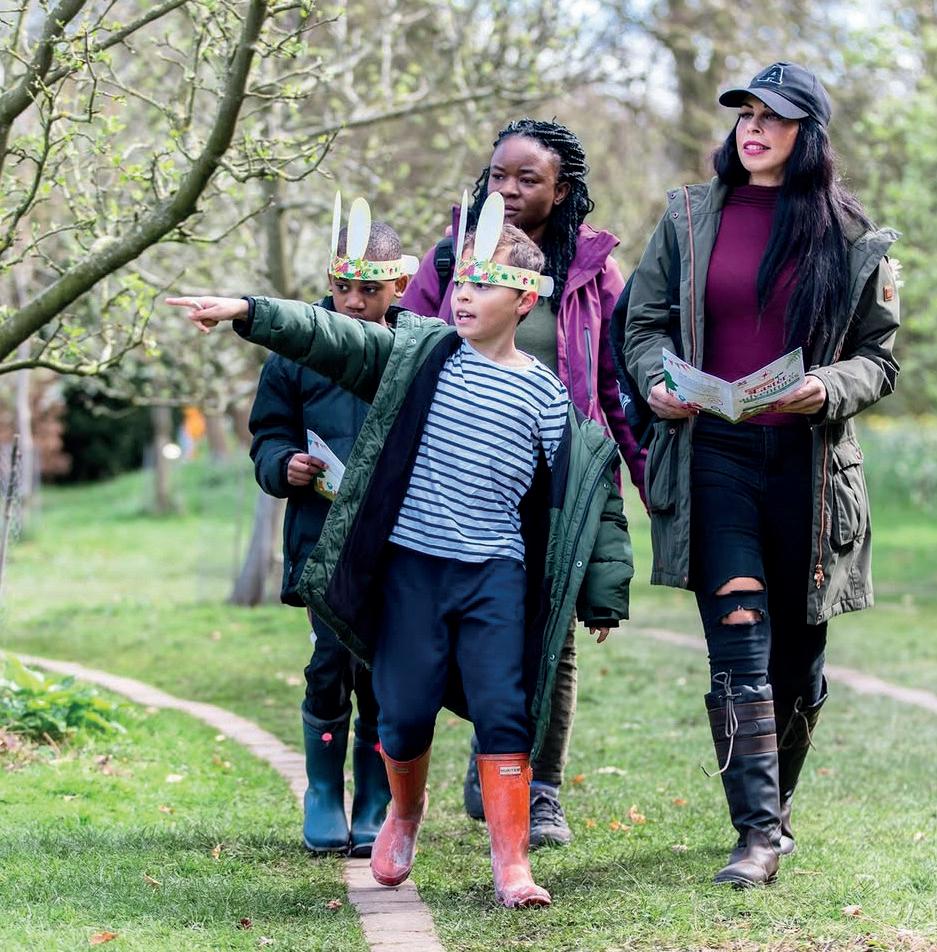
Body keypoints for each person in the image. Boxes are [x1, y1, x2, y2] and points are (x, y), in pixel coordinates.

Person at [168, 203, 633, 908]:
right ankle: (403, 815)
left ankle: (512, 867)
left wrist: (602, 592)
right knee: (404, 713)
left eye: (483, 284)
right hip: (412, 572)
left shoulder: (544, 394)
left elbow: (586, 491)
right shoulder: (420, 358)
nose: (464, 295)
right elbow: (327, 335)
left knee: (505, 711)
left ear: (524, 300)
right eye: (460, 282)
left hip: (494, 577)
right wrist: (247, 310)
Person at [624, 61, 900, 887]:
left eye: (772, 117)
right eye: (744, 114)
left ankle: (774, 815)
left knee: (797, 663)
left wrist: (827, 387)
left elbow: (877, 359)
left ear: (806, 134)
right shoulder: (686, 216)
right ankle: (752, 834)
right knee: (739, 635)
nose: (753, 128)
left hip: (811, 473)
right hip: (714, 456)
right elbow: (641, 325)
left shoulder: (853, 236)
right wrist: (656, 382)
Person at [402, 118, 644, 846]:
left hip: (556, 484)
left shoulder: (595, 273)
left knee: (554, 636)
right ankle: (494, 751)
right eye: (498, 175)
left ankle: (539, 790)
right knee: (472, 628)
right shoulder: (451, 258)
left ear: (561, 190)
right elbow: (402, 352)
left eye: (527, 179)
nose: (506, 189)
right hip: (463, 479)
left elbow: (615, 388)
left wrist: (645, 477)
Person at [248, 218, 412, 856]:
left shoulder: (419, 350)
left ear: (398, 286)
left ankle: (374, 797)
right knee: (329, 661)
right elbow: (268, 434)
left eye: (370, 290)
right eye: (344, 288)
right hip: (321, 542)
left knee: (382, 671)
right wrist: (283, 464)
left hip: (398, 542)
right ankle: (322, 790)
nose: (354, 302)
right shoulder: (295, 351)